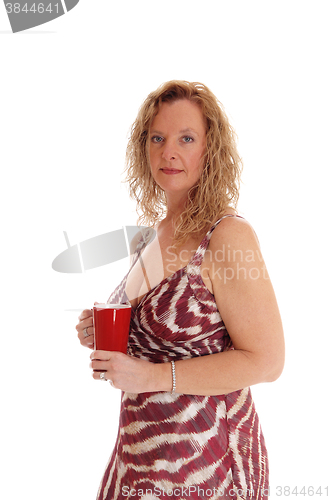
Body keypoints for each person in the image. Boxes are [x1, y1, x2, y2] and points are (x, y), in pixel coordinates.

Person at [76, 80, 284, 500]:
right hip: (138, 457)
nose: (168, 152)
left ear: (210, 151)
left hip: (206, 465)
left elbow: (268, 362)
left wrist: (151, 375)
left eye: (186, 138)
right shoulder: (148, 239)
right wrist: (95, 332)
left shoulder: (227, 237)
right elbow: (150, 340)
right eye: (158, 138)